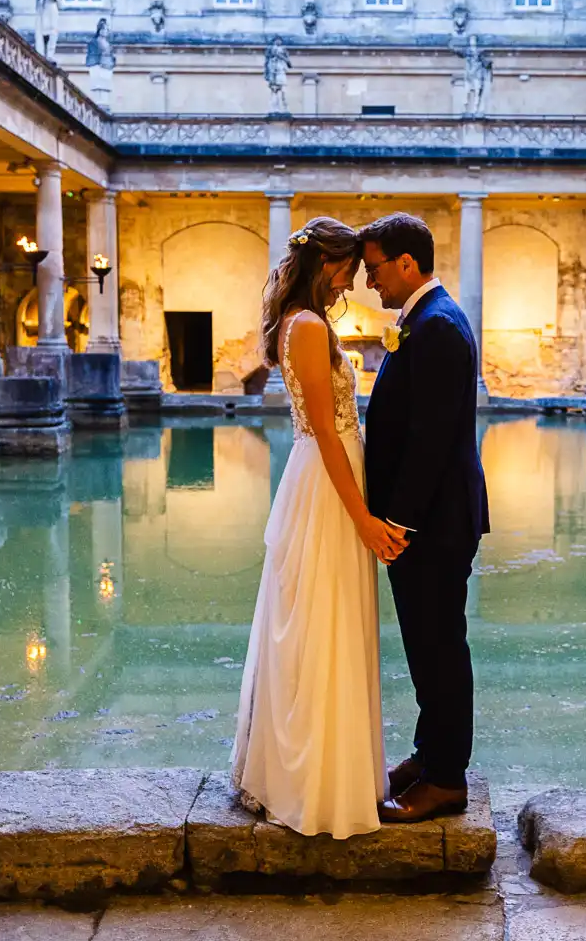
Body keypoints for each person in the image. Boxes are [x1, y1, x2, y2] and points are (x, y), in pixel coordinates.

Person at [230, 217, 407, 839]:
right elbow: (327, 432)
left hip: (332, 472)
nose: (352, 282)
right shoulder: (306, 327)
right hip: (327, 482)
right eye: (348, 270)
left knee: (329, 620)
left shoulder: (311, 324)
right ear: (324, 264)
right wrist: (363, 519)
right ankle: (312, 781)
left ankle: (336, 770)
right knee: (319, 623)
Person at [360, 212, 490, 822]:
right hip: (427, 521)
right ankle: (429, 752)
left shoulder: (437, 326)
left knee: (439, 648)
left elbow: (431, 440)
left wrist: (399, 525)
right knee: (426, 645)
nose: (369, 283)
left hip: (432, 525)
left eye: (375, 269)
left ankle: (446, 779)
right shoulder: (426, 320)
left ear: (406, 264)